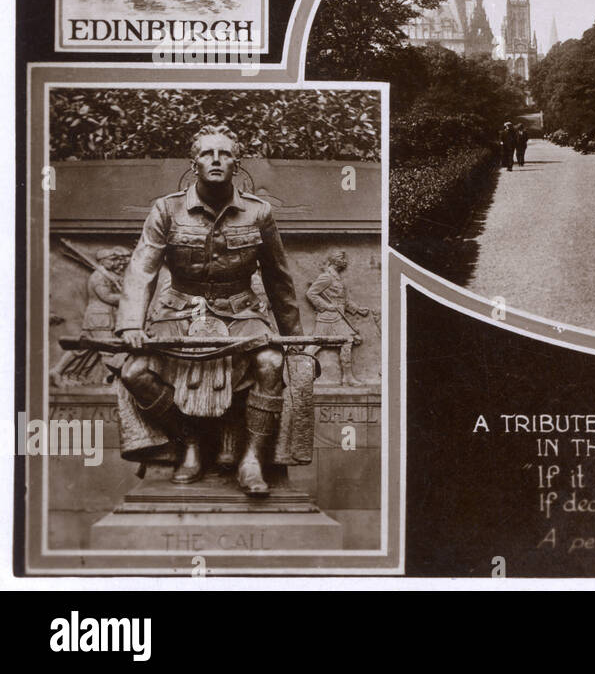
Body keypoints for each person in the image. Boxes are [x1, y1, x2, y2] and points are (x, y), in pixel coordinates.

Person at [115, 124, 303, 495]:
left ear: (237, 163)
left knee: (271, 363)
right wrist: (131, 325)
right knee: (135, 371)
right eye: (206, 153)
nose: (215, 160)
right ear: (194, 162)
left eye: (224, 153)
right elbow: (142, 268)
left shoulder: (258, 213)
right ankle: (188, 442)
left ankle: (251, 459)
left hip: (241, 314)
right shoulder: (166, 209)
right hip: (178, 313)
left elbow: (279, 279)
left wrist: (295, 341)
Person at [50, 246, 131, 386]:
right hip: (99, 318)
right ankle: (111, 381)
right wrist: (128, 297)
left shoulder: (109, 275)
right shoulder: (98, 277)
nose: (116, 262)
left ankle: (58, 371)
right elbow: (106, 297)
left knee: (83, 348)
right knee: (108, 349)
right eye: (112, 259)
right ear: (103, 261)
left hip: (104, 317)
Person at [306, 250, 373, 386]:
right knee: (314, 346)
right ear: (335, 261)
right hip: (327, 318)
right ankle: (301, 373)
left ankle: (347, 378)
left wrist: (357, 309)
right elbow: (311, 293)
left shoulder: (336, 277)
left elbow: (342, 299)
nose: (345, 261)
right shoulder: (327, 277)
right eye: (342, 259)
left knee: (345, 342)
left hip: (337, 316)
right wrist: (326, 306)